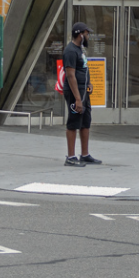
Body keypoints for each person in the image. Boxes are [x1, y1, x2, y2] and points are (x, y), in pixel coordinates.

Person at [57, 21, 101, 168]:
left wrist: (88, 83)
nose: (88, 36)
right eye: (87, 34)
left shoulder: (79, 50)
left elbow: (83, 70)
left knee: (85, 122)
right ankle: (70, 157)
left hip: (84, 91)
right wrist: (77, 99)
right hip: (75, 92)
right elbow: (70, 76)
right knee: (74, 122)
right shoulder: (70, 51)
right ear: (80, 34)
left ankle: (85, 155)